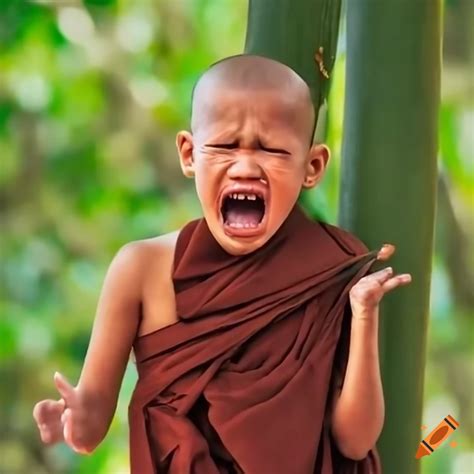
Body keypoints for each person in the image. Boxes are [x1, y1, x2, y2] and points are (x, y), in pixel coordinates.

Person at [33, 54, 412, 473]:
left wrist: (363, 314)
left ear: (313, 166)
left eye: (271, 149)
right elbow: (90, 429)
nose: (246, 167)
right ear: (189, 153)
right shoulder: (140, 269)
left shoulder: (333, 268)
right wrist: (77, 420)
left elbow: (354, 442)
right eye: (225, 146)